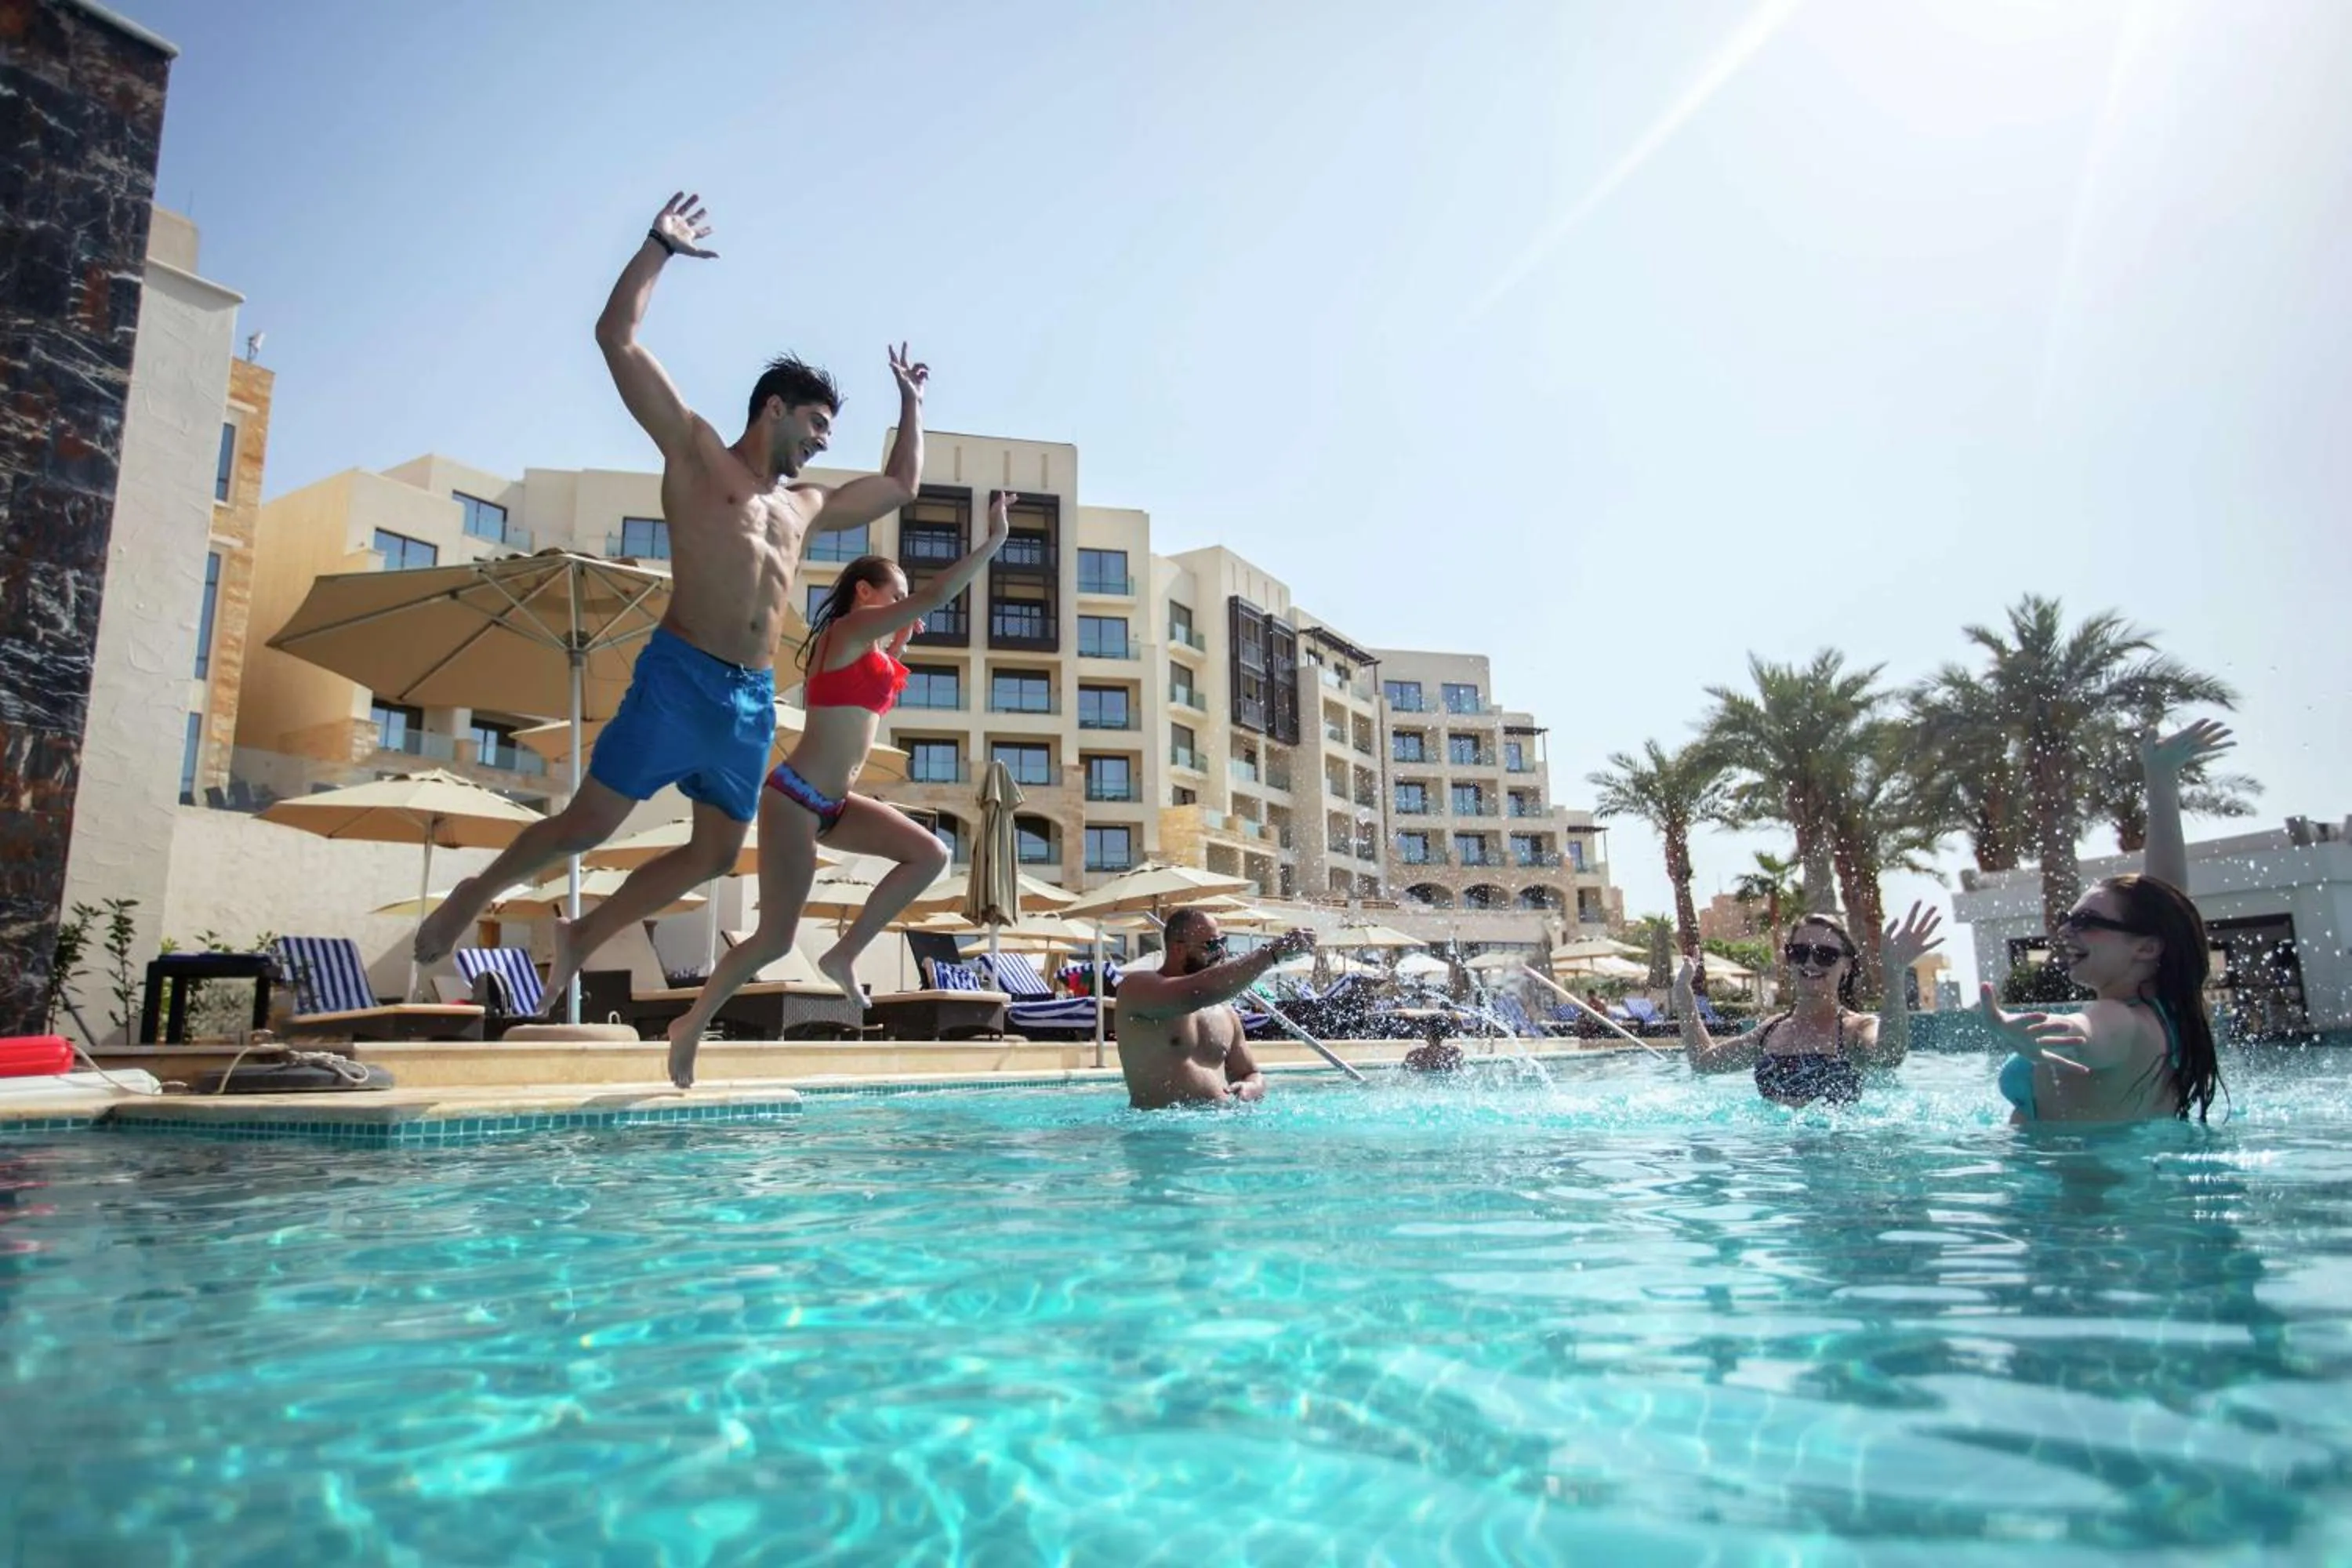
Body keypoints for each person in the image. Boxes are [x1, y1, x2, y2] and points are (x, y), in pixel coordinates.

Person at [412, 193, 931, 1003]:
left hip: (750, 701)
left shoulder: (809, 506)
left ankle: (585, 933)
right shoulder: (694, 455)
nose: (823, 442)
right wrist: (659, 246)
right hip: (679, 676)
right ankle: (473, 894)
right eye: (818, 424)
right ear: (774, 408)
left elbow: (900, 483)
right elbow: (615, 338)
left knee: (717, 854)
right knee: (588, 825)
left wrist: (912, 401)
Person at [662, 498, 1011, 1087]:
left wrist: (898, 644)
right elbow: (933, 598)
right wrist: (993, 542)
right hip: (796, 799)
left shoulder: (871, 649)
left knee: (930, 854)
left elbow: (867, 696)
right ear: (865, 594)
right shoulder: (844, 633)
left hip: (834, 806)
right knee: (773, 940)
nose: (905, 603)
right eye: (895, 593)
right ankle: (690, 1025)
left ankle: (843, 954)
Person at [1980, 720, 2230, 1124]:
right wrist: (2161, 779)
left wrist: (2031, 1031)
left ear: (2146, 947)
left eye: (2087, 920)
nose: (2066, 930)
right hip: (2125, 1180)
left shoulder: (2119, 1019)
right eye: (2068, 918)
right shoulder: (2168, 1014)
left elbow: (2084, 1034)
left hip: (2073, 1187)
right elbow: (2168, 901)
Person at [1675, 904, 1945, 1106]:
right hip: (1777, 1168)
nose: (1811, 963)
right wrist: (1683, 992)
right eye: (1800, 952)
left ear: (1847, 966)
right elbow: (1703, 1062)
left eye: (1826, 955)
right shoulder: (1770, 1032)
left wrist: (1894, 973)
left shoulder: (1856, 1029)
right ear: (1788, 960)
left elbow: (1890, 1055)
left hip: (1839, 1162)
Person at [1113, 910, 1319, 1109]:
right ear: (1178, 949)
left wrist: (1251, 1087)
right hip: (1160, 1134)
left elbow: (1251, 1073)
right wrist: (1271, 954)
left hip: (1221, 1135)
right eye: (1211, 945)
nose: (1221, 952)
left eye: (1223, 942)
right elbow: (1198, 992)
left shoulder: (1225, 1012)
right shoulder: (1137, 988)